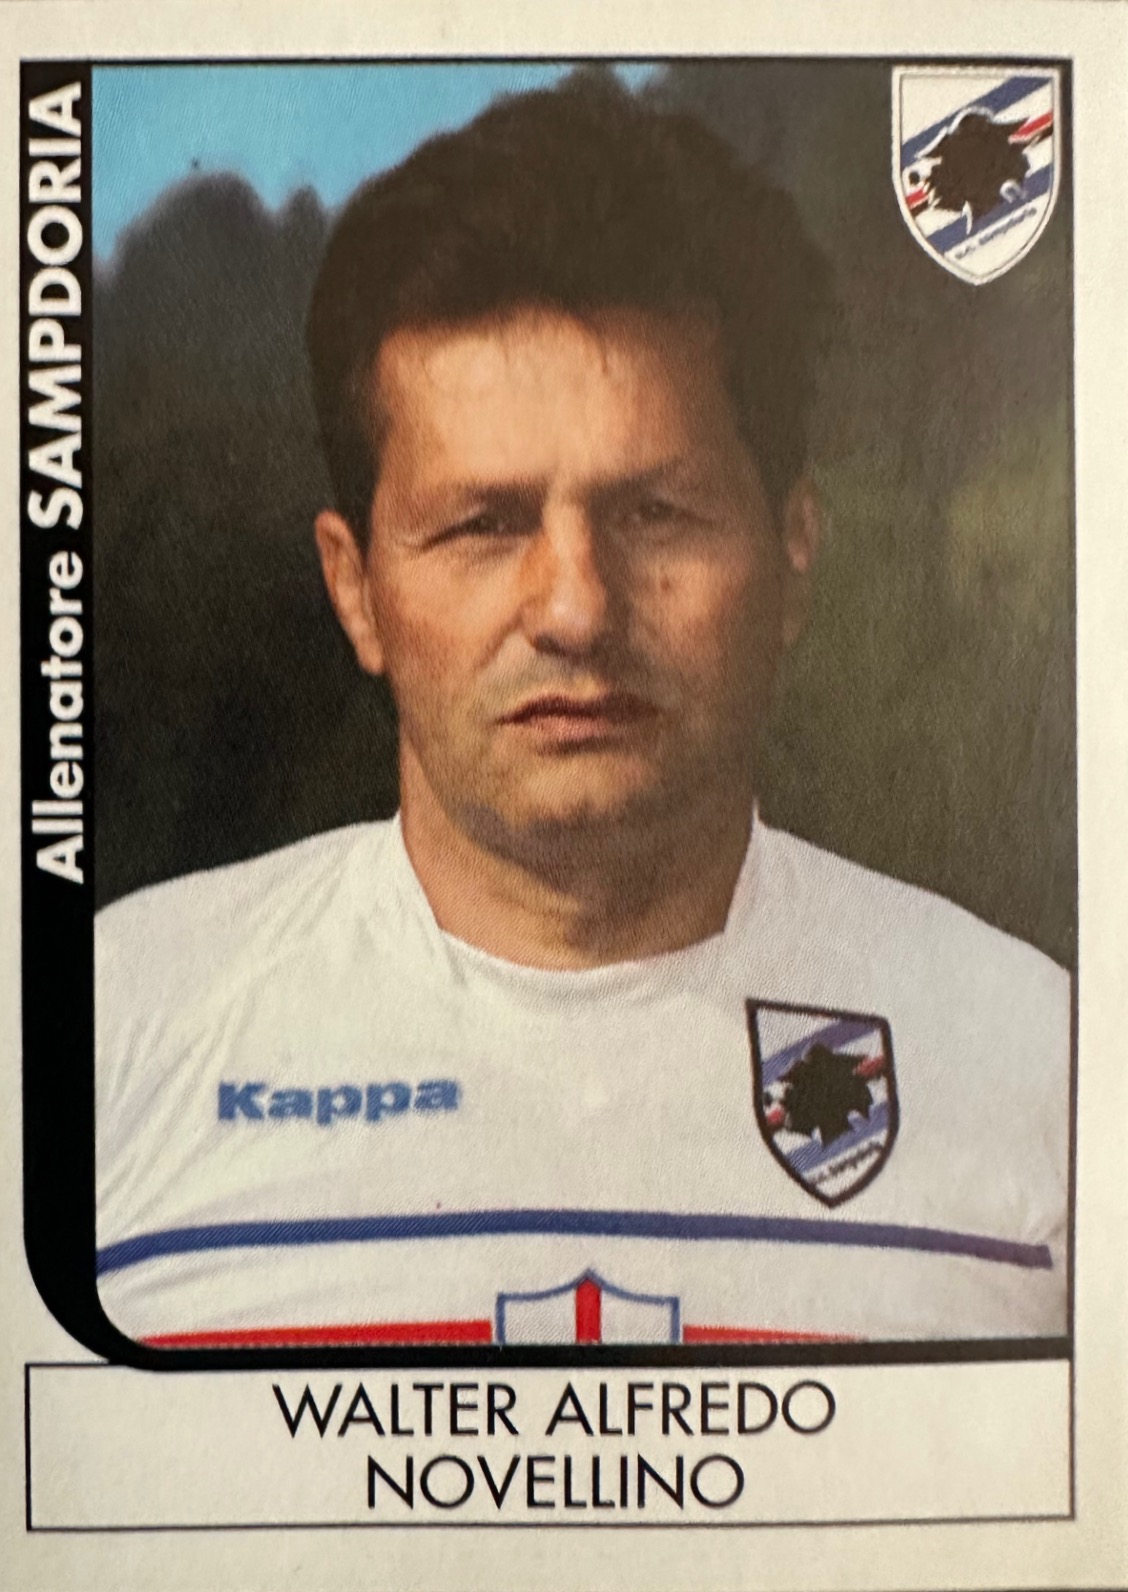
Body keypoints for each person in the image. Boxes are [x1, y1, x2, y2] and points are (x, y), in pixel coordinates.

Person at [96, 77, 1069, 1350]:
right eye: (482, 523)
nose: (574, 608)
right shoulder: (107, 1033)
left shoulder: (1042, 1060)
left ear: (791, 552)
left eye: (655, 513)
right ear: (356, 589)